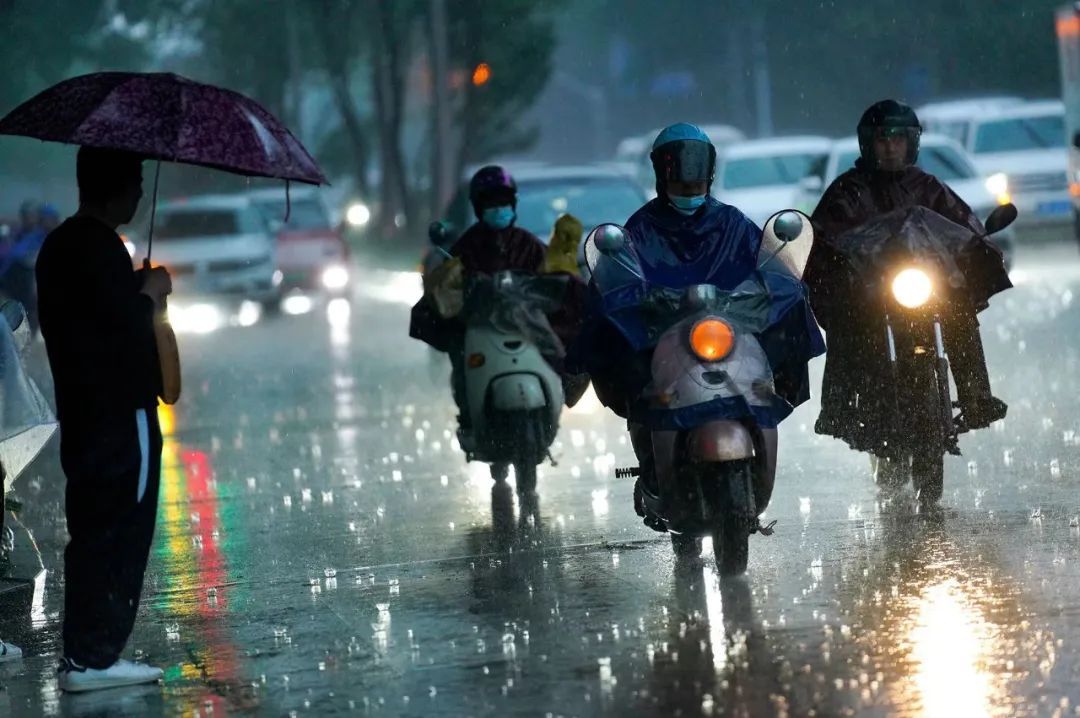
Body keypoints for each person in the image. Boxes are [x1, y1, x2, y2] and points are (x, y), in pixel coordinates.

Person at [572, 123, 769, 528]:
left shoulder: (733, 224)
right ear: (661, 172)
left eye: (695, 167)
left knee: (763, 383)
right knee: (643, 390)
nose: (688, 178)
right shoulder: (641, 229)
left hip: (724, 336)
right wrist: (641, 303)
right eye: (678, 168)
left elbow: (765, 271)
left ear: (710, 169)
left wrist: (768, 288)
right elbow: (615, 283)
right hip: (663, 342)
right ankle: (652, 466)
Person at [36, 146, 173, 693]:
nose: (141, 193)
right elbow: (117, 334)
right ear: (116, 186)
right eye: (136, 181)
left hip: (83, 413)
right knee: (122, 527)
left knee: (92, 530)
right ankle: (97, 655)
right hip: (123, 414)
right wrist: (150, 294)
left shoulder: (59, 245)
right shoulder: (99, 249)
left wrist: (133, 289)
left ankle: (84, 654)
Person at [804, 100, 1010, 452]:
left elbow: (963, 224)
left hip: (924, 287)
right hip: (870, 294)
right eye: (883, 139)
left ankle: (977, 398)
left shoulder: (928, 187)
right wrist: (833, 260)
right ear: (868, 143)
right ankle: (837, 409)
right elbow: (821, 238)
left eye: (899, 139)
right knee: (846, 325)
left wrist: (978, 240)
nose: (890, 147)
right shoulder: (847, 191)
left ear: (911, 142)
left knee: (960, 315)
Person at [410, 166, 549, 440]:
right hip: (481, 326)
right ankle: (469, 418)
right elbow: (447, 285)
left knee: (562, 353)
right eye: (491, 204)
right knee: (462, 359)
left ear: (513, 204)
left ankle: (553, 406)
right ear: (478, 207)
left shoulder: (529, 244)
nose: (498, 209)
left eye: (503, 202)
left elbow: (555, 277)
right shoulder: (466, 245)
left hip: (527, 323)